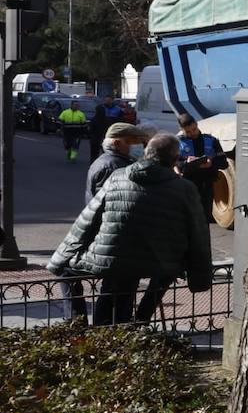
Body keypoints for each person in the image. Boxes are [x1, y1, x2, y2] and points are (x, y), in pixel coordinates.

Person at [47, 133, 212, 326]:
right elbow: (198, 233)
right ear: (174, 159)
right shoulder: (185, 188)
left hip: (113, 258)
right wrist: (200, 277)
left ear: (146, 153)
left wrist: (59, 259)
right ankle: (141, 320)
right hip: (161, 262)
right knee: (158, 276)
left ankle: (79, 324)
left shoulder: (118, 177)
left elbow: (87, 220)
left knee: (72, 272)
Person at [175, 113, 228, 222]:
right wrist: (185, 162)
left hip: (206, 187)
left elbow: (224, 163)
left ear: (196, 124)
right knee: (187, 221)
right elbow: (172, 163)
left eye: (194, 129)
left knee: (204, 221)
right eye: (188, 132)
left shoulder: (211, 141)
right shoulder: (177, 143)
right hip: (186, 187)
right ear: (182, 130)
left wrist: (211, 163)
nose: (192, 133)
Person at [88, 94, 125, 164]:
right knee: (96, 150)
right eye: (106, 100)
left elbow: (121, 120)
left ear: (112, 100)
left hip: (109, 131)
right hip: (99, 135)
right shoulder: (101, 108)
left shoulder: (117, 109)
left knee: (106, 149)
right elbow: (91, 127)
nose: (107, 101)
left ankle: (104, 161)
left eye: (109, 100)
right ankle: (94, 161)